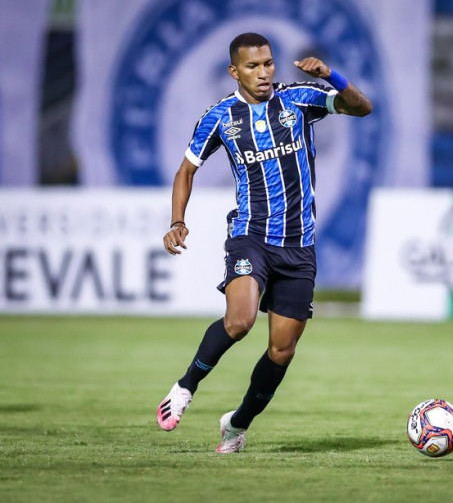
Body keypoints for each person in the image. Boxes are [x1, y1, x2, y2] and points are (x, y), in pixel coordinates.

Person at [156, 32, 372, 453]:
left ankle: (235, 427)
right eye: (253, 66)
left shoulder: (299, 99)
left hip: (299, 245)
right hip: (250, 236)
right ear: (234, 71)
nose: (264, 73)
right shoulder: (220, 117)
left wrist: (333, 76)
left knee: (282, 351)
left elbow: (362, 108)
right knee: (239, 321)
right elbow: (186, 171)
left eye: (269, 63)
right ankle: (184, 388)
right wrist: (177, 221)